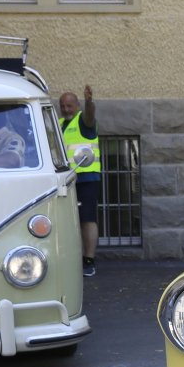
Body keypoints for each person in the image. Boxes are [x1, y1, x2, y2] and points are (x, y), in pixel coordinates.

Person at [59, 85, 101, 277]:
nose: (66, 109)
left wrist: (89, 102)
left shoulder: (84, 121)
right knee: (66, 220)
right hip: (65, 178)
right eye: (63, 106)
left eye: (69, 105)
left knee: (87, 219)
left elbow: (90, 116)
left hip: (86, 178)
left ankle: (89, 260)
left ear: (77, 105)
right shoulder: (59, 123)